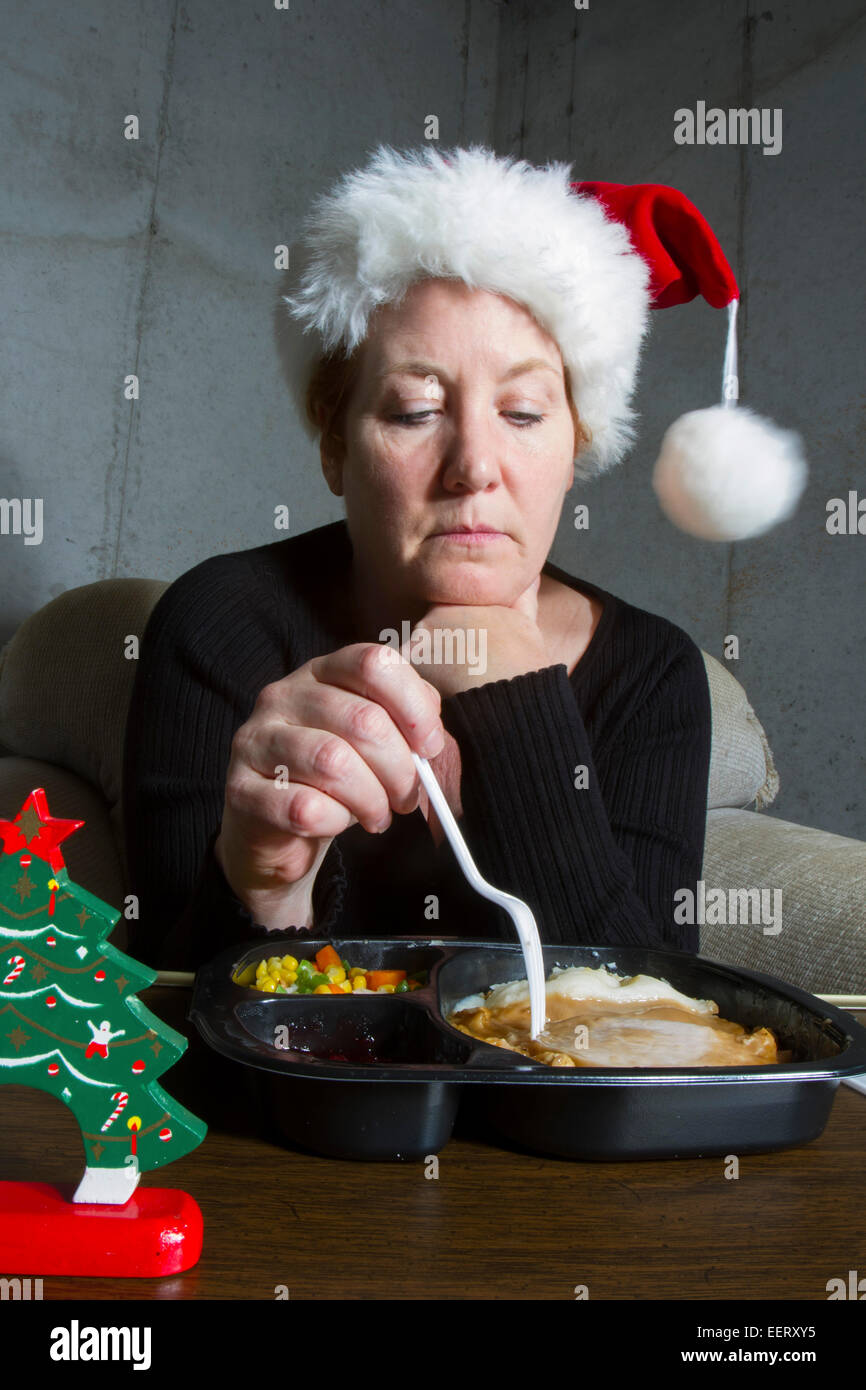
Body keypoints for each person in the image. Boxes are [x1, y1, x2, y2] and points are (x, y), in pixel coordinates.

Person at [122, 145, 732, 972]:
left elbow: (648, 1033)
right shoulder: (221, 621)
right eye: (415, 410)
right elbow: (164, 1031)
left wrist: (514, 702)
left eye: (522, 413)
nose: (474, 465)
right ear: (337, 446)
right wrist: (263, 887)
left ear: (577, 444)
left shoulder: (652, 672)